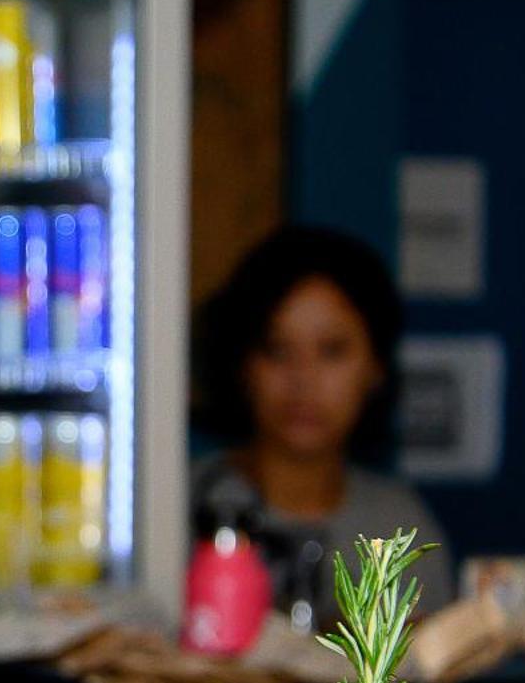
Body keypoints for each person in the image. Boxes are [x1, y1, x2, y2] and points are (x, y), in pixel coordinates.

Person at [192, 225, 453, 617]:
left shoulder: (402, 529)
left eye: (332, 351)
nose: (302, 380)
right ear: (243, 364)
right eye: (277, 350)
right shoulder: (177, 509)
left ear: (376, 368)